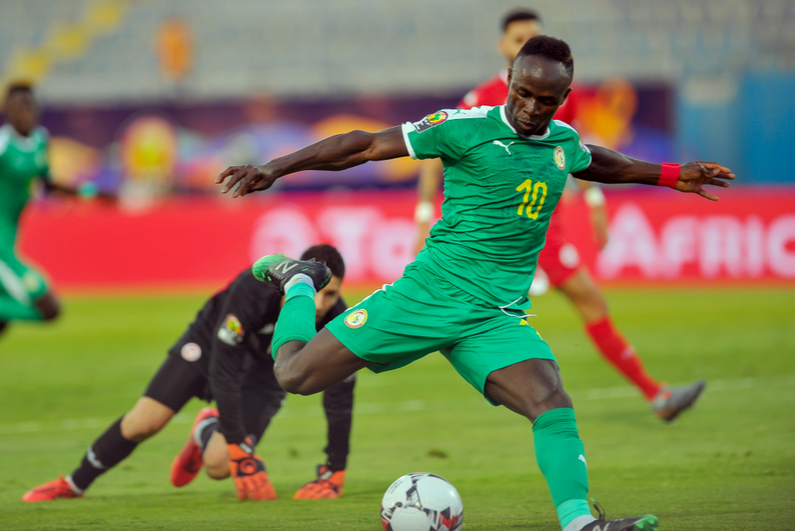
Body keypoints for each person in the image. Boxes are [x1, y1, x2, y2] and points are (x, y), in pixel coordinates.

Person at [216, 36, 733, 531]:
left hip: (494, 318)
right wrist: (276, 168)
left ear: (564, 99)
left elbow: (599, 161)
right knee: (294, 376)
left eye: (546, 100)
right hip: (427, 296)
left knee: (552, 404)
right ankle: (299, 281)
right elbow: (365, 145)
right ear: (509, 80)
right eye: (523, 93)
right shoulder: (462, 126)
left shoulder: (562, 141)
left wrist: (670, 175)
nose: (532, 108)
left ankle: (580, 522)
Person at [414, 9, 704, 421]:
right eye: (517, 39)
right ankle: (648, 395)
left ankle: (653, 395)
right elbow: (431, 147)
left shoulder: (554, 91)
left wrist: (595, 204)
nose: (524, 45)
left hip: (543, 226)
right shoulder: (480, 100)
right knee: (521, 309)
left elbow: (576, 153)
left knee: (585, 301)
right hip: (494, 235)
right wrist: (424, 210)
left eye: (531, 37)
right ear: (504, 48)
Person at [22, 244, 354, 502]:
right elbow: (223, 368)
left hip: (265, 374)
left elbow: (340, 391)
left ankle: (207, 429)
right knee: (143, 423)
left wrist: (334, 473)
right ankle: (74, 484)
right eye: (318, 290)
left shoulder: (335, 320)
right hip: (209, 346)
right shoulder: (254, 288)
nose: (322, 303)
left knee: (219, 466)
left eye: (331, 293)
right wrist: (241, 449)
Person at [0, 83, 108, 333]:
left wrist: (91, 193)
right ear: (8, 110)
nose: (27, 112)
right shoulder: (3, 144)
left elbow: (48, 184)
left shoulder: (39, 139)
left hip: (9, 241)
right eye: (20, 107)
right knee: (48, 308)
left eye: (30, 106)